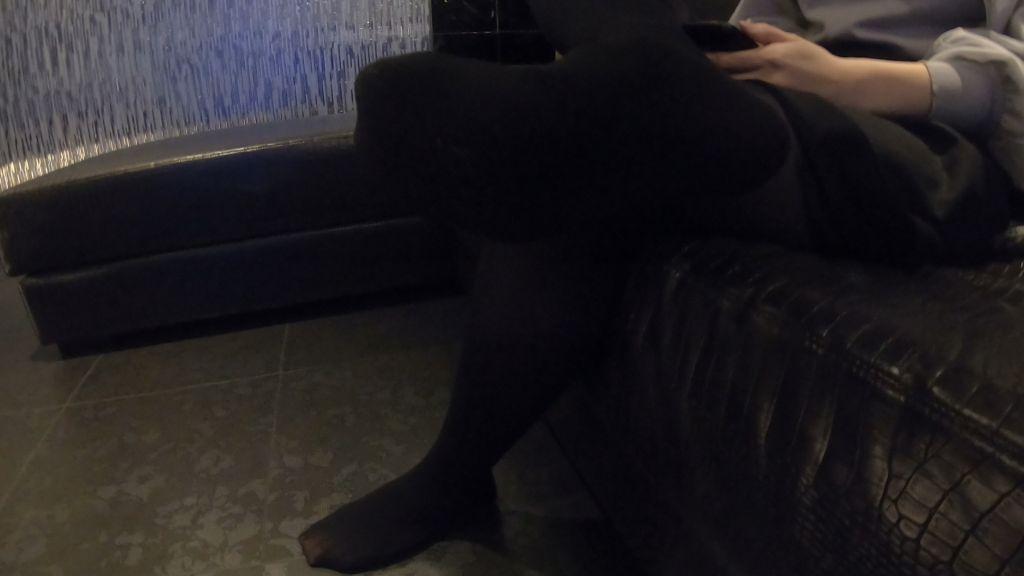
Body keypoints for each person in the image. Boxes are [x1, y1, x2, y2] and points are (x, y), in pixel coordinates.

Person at [298, 0, 1024, 572]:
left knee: (605, 147)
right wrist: (728, 51)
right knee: (618, 132)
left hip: (919, 143)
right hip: (774, 104)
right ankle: (635, 90)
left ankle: (451, 479)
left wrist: (848, 79)